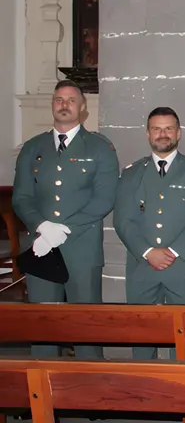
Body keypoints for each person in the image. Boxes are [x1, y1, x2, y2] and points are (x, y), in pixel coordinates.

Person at [13, 80, 120, 359]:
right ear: (52, 104)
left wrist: (64, 229)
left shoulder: (99, 148)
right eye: (59, 99)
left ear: (82, 108)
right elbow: (22, 197)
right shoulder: (32, 148)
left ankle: (91, 391)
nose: (64, 105)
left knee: (86, 325)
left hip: (82, 249)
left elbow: (104, 199)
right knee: (44, 325)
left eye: (71, 100)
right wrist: (43, 227)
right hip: (41, 246)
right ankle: (43, 393)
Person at [115, 107, 185, 360]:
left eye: (168, 128)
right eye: (157, 128)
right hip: (142, 265)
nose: (163, 134)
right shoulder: (131, 172)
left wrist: (172, 252)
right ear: (147, 134)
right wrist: (148, 252)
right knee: (142, 331)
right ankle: (144, 386)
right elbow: (123, 220)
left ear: (178, 133)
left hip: (181, 264)